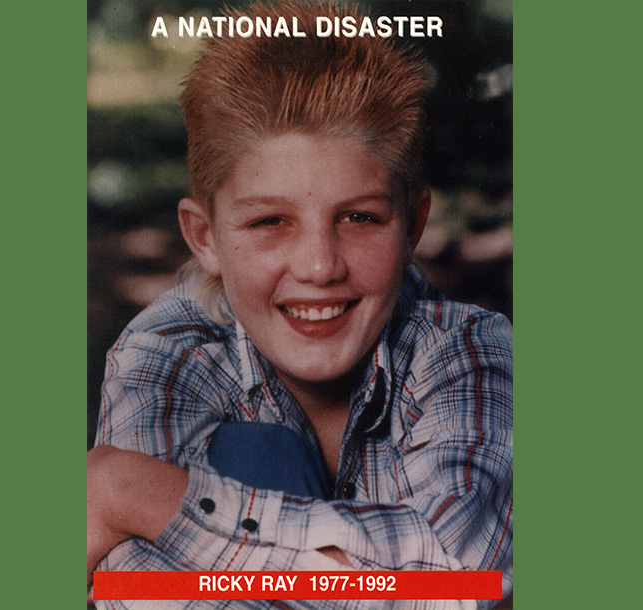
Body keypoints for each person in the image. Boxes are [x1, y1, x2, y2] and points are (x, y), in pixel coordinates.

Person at [87, 2, 513, 608]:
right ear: (205, 237)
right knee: (252, 452)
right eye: (269, 221)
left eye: (361, 217)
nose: (319, 267)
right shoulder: (166, 352)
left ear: (414, 225)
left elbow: (460, 577)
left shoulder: (468, 348)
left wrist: (134, 493)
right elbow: (141, 590)